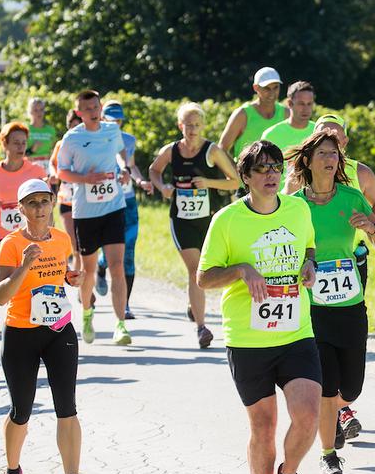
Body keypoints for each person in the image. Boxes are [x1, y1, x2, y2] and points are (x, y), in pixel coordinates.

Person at [197, 140, 321, 474]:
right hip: (248, 339)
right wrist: (240, 269)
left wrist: (309, 263)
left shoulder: (298, 209)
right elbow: (203, 278)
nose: (271, 175)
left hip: (295, 331)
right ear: (246, 177)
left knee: (309, 417)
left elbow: (309, 247)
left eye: (276, 168)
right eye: (262, 169)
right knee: (263, 426)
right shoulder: (227, 221)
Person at [287, 129, 375, 474]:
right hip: (313, 307)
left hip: (350, 303)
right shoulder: (296, 204)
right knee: (327, 388)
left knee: (351, 388)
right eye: (323, 154)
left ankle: (337, 419)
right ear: (309, 162)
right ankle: (328, 454)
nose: (330, 159)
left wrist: (371, 226)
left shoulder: (351, 197)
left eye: (334, 154)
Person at [0, 178, 95, 474]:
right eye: (32, 203)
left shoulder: (62, 239)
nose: (39, 208)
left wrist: (70, 278)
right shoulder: (10, 244)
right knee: (21, 411)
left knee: (67, 407)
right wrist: (24, 265)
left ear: (53, 204)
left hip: (58, 330)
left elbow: (60, 273)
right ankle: (12, 473)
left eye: (44, 201)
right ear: (20, 208)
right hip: (21, 333)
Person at [148, 102, 240, 348]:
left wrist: (209, 182)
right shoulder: (172, 150)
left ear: (203, 126)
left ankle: (194, 304)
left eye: (197, 125)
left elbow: (236, 181)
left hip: (209, 220)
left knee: (211, 268)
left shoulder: (212, 151)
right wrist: (163, 187)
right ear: (181, 125)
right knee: (195, 270)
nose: (193, 129)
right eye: (188, 125)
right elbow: (154, 170)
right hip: (181, 220)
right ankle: (202, 328)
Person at [55, 90, 132, 345]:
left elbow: (121, 155)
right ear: (79, 112)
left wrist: (124, 171)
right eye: (86, 108)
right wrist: (85, 179)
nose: (92, 111)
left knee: (117, 265)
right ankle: (87, 312)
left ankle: (120, 325)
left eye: (95, 106)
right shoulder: (72, 138)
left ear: (100, 107)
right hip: (86, 212)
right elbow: (62, 172)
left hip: (113, 206)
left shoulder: (111, 131)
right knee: (88, 270)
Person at [99, 100, 154, 317]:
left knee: (129, 252)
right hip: (104, 202)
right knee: (109, 251)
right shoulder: (95, 139)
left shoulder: (128, 140)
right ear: (103, 118)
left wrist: (141, 181)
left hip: (128, 201)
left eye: (118, 119)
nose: (115, 123)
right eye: (111, 119)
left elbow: (131, 166)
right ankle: (102, 267)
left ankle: (125, 304)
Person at [0, 122, 47, 251]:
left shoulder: (37, 170)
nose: (21, 147)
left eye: (24, 143)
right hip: (3, 235)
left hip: (32, 235)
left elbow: (49, 202)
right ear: (5, 144)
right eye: (16, 143)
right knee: (7, 272)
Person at [219, 67, 287, 162]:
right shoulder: (242, 114)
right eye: (266, 88)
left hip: (276, 175)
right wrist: (235, 172)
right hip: (246, 175)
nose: (272, 93)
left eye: (276, 87)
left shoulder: (286, 113)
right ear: (255, 87)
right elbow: (222, 148)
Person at [262, 81, 315, 176]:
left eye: (309, 104)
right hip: (278, 191)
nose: (306, 109)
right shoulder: (271, 135)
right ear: (290, 103)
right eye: (301, 104)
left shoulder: (318, 132)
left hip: (312, 191)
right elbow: (263, 170)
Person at [50, 109, 83, 259]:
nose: (75, 130)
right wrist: (54, 173)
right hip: (66, 197)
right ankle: (77, 273)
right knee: (72, 239)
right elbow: (52, 163)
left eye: (78, 126)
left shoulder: (88, 144)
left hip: (84, 198)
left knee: (83, 238)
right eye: (72, 126)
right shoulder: (61, 144)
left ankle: (85, 272)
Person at [26, 97, 56, 172]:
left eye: (41, 110)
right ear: (30, 112)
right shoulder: (25, 129)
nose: (39, 113)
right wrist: (32, 150)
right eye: (35, 110)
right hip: (31, 165)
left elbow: (55, 150)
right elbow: (19, 153)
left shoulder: (51, 130)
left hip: (47, 165)